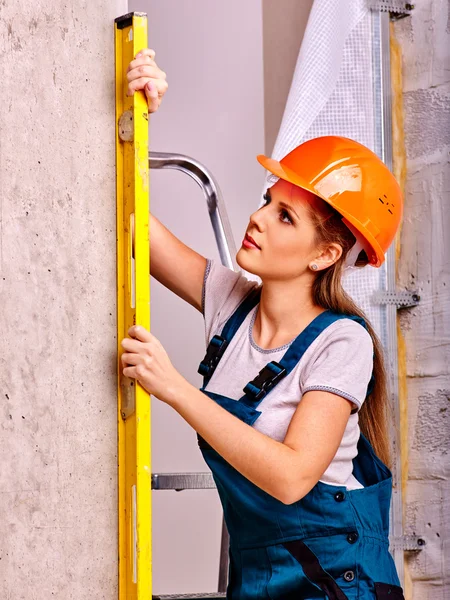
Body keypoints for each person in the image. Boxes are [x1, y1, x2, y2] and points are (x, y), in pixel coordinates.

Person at [121, 49, 405, 600]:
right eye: (268, 200)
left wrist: (175, 389)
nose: (257, 218)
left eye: (285, 216)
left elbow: (293, 475)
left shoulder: (343, 342)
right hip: (258, 582)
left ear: (324, 254)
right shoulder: (231, 303)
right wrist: (135, 121)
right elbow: (132, 220)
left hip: (335, 585)